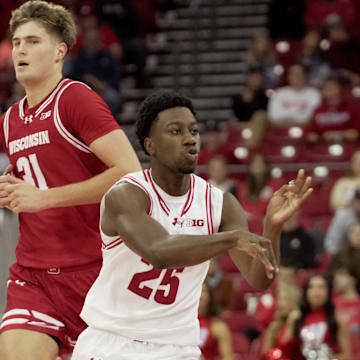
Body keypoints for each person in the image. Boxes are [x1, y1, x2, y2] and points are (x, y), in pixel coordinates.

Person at [72, 90, 313, 360]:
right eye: (175, 132)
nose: (190, 139)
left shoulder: (219, 203)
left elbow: (259, 279)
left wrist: (272, 227)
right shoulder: (126, 195)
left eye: (194, 131)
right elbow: (159, 251)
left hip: (179, 347)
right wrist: (231, 238)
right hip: (115, 342)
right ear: (150, 145)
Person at [0, 1, 141, 359]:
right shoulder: (9, 119)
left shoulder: (74, 98)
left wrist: (44, 197)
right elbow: (37, 176)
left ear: (60, 50)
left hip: (94, 272)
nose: (20, 50)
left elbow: (130, 172)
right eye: (17, 42)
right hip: (32, 276)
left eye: (33, 41)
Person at [290, 274, 352, 360]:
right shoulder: (296, 318)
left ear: (328, 292)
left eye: (321, 287)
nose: (316, 292)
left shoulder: (338, 319)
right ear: (306, 292)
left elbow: (347, 356)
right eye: (311, 287)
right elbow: (288, 350)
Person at [198, 282, 234, 360]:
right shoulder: (177, 324)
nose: (199, 294)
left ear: (210, 295)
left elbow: (227, 357)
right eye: (196, 289)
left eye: (203, 291)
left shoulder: (218, 327)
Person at [324, 189, 360, 254]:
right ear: (353, 200)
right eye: (358, 200)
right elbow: (331, 244)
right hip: (345, 255)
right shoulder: (343, 215)